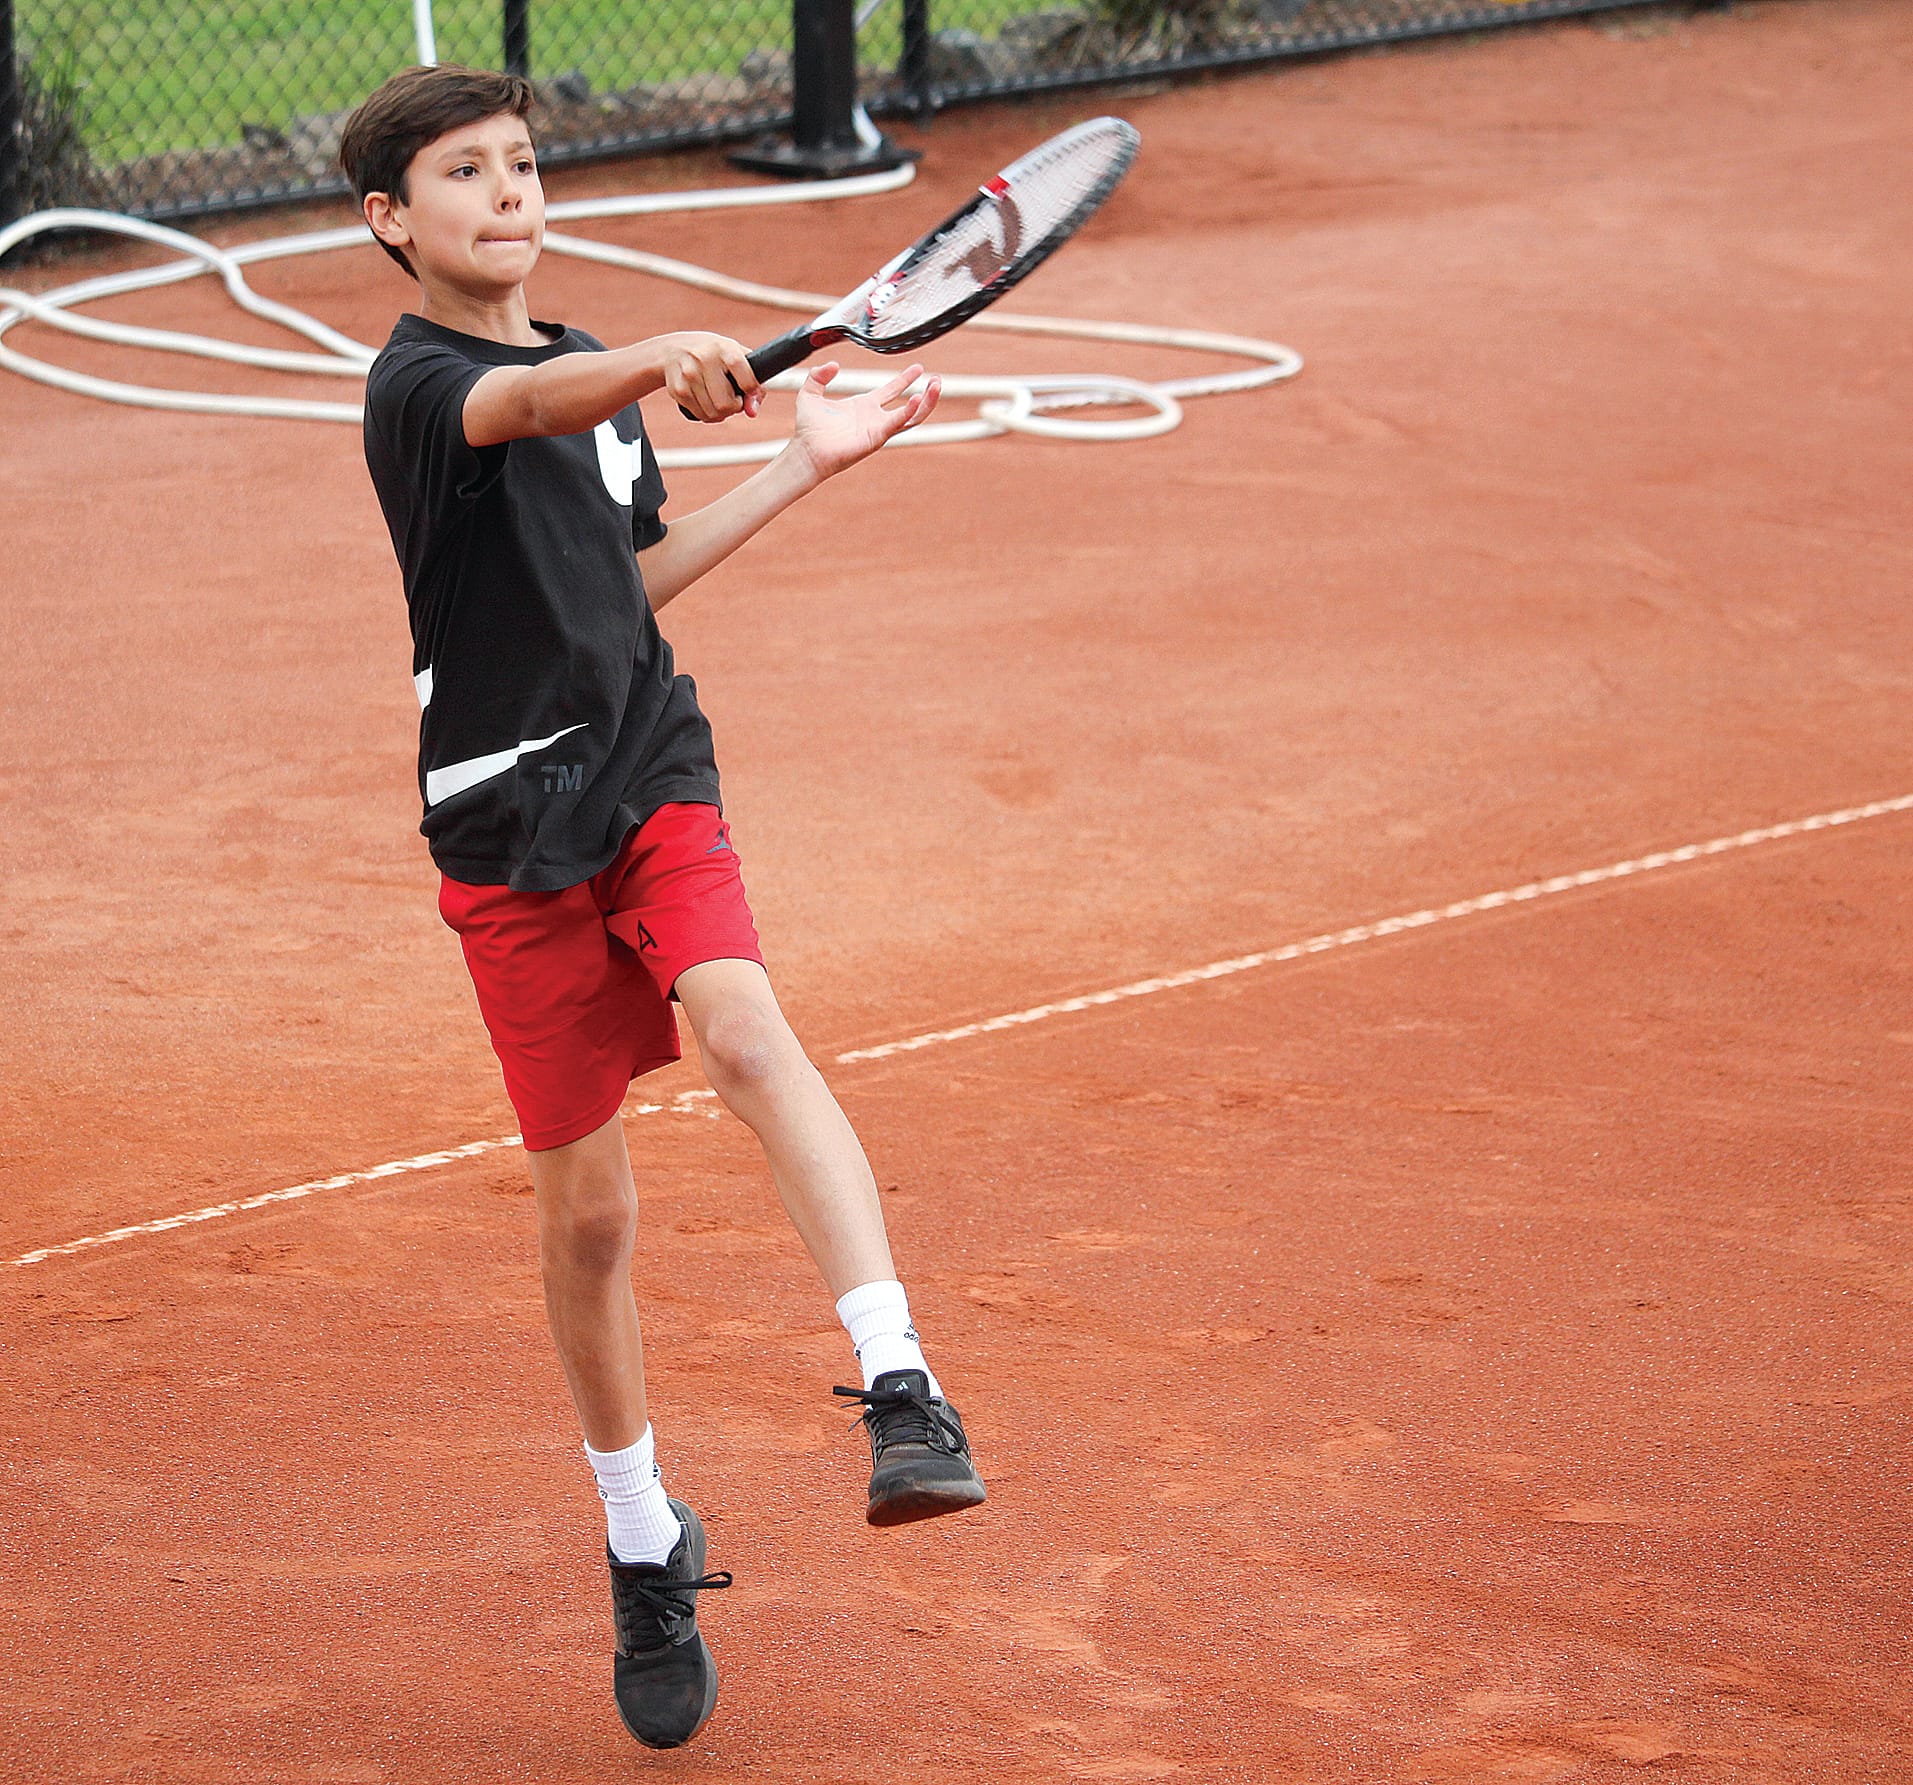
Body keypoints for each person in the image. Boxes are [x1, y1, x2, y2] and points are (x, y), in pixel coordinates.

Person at [338, 63, 984, 1751]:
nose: (506, 190)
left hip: (644, 764)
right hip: (501, 832)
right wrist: (639, 359)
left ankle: (902, 1382)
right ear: (390, 222)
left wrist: (801, 466)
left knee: (742, 1016)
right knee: (594, 1218)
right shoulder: (414, 386)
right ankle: (640, 1533)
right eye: (462, 173)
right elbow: (524, 410)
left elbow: (624, 579)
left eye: (524, 163)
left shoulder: (591, 374)